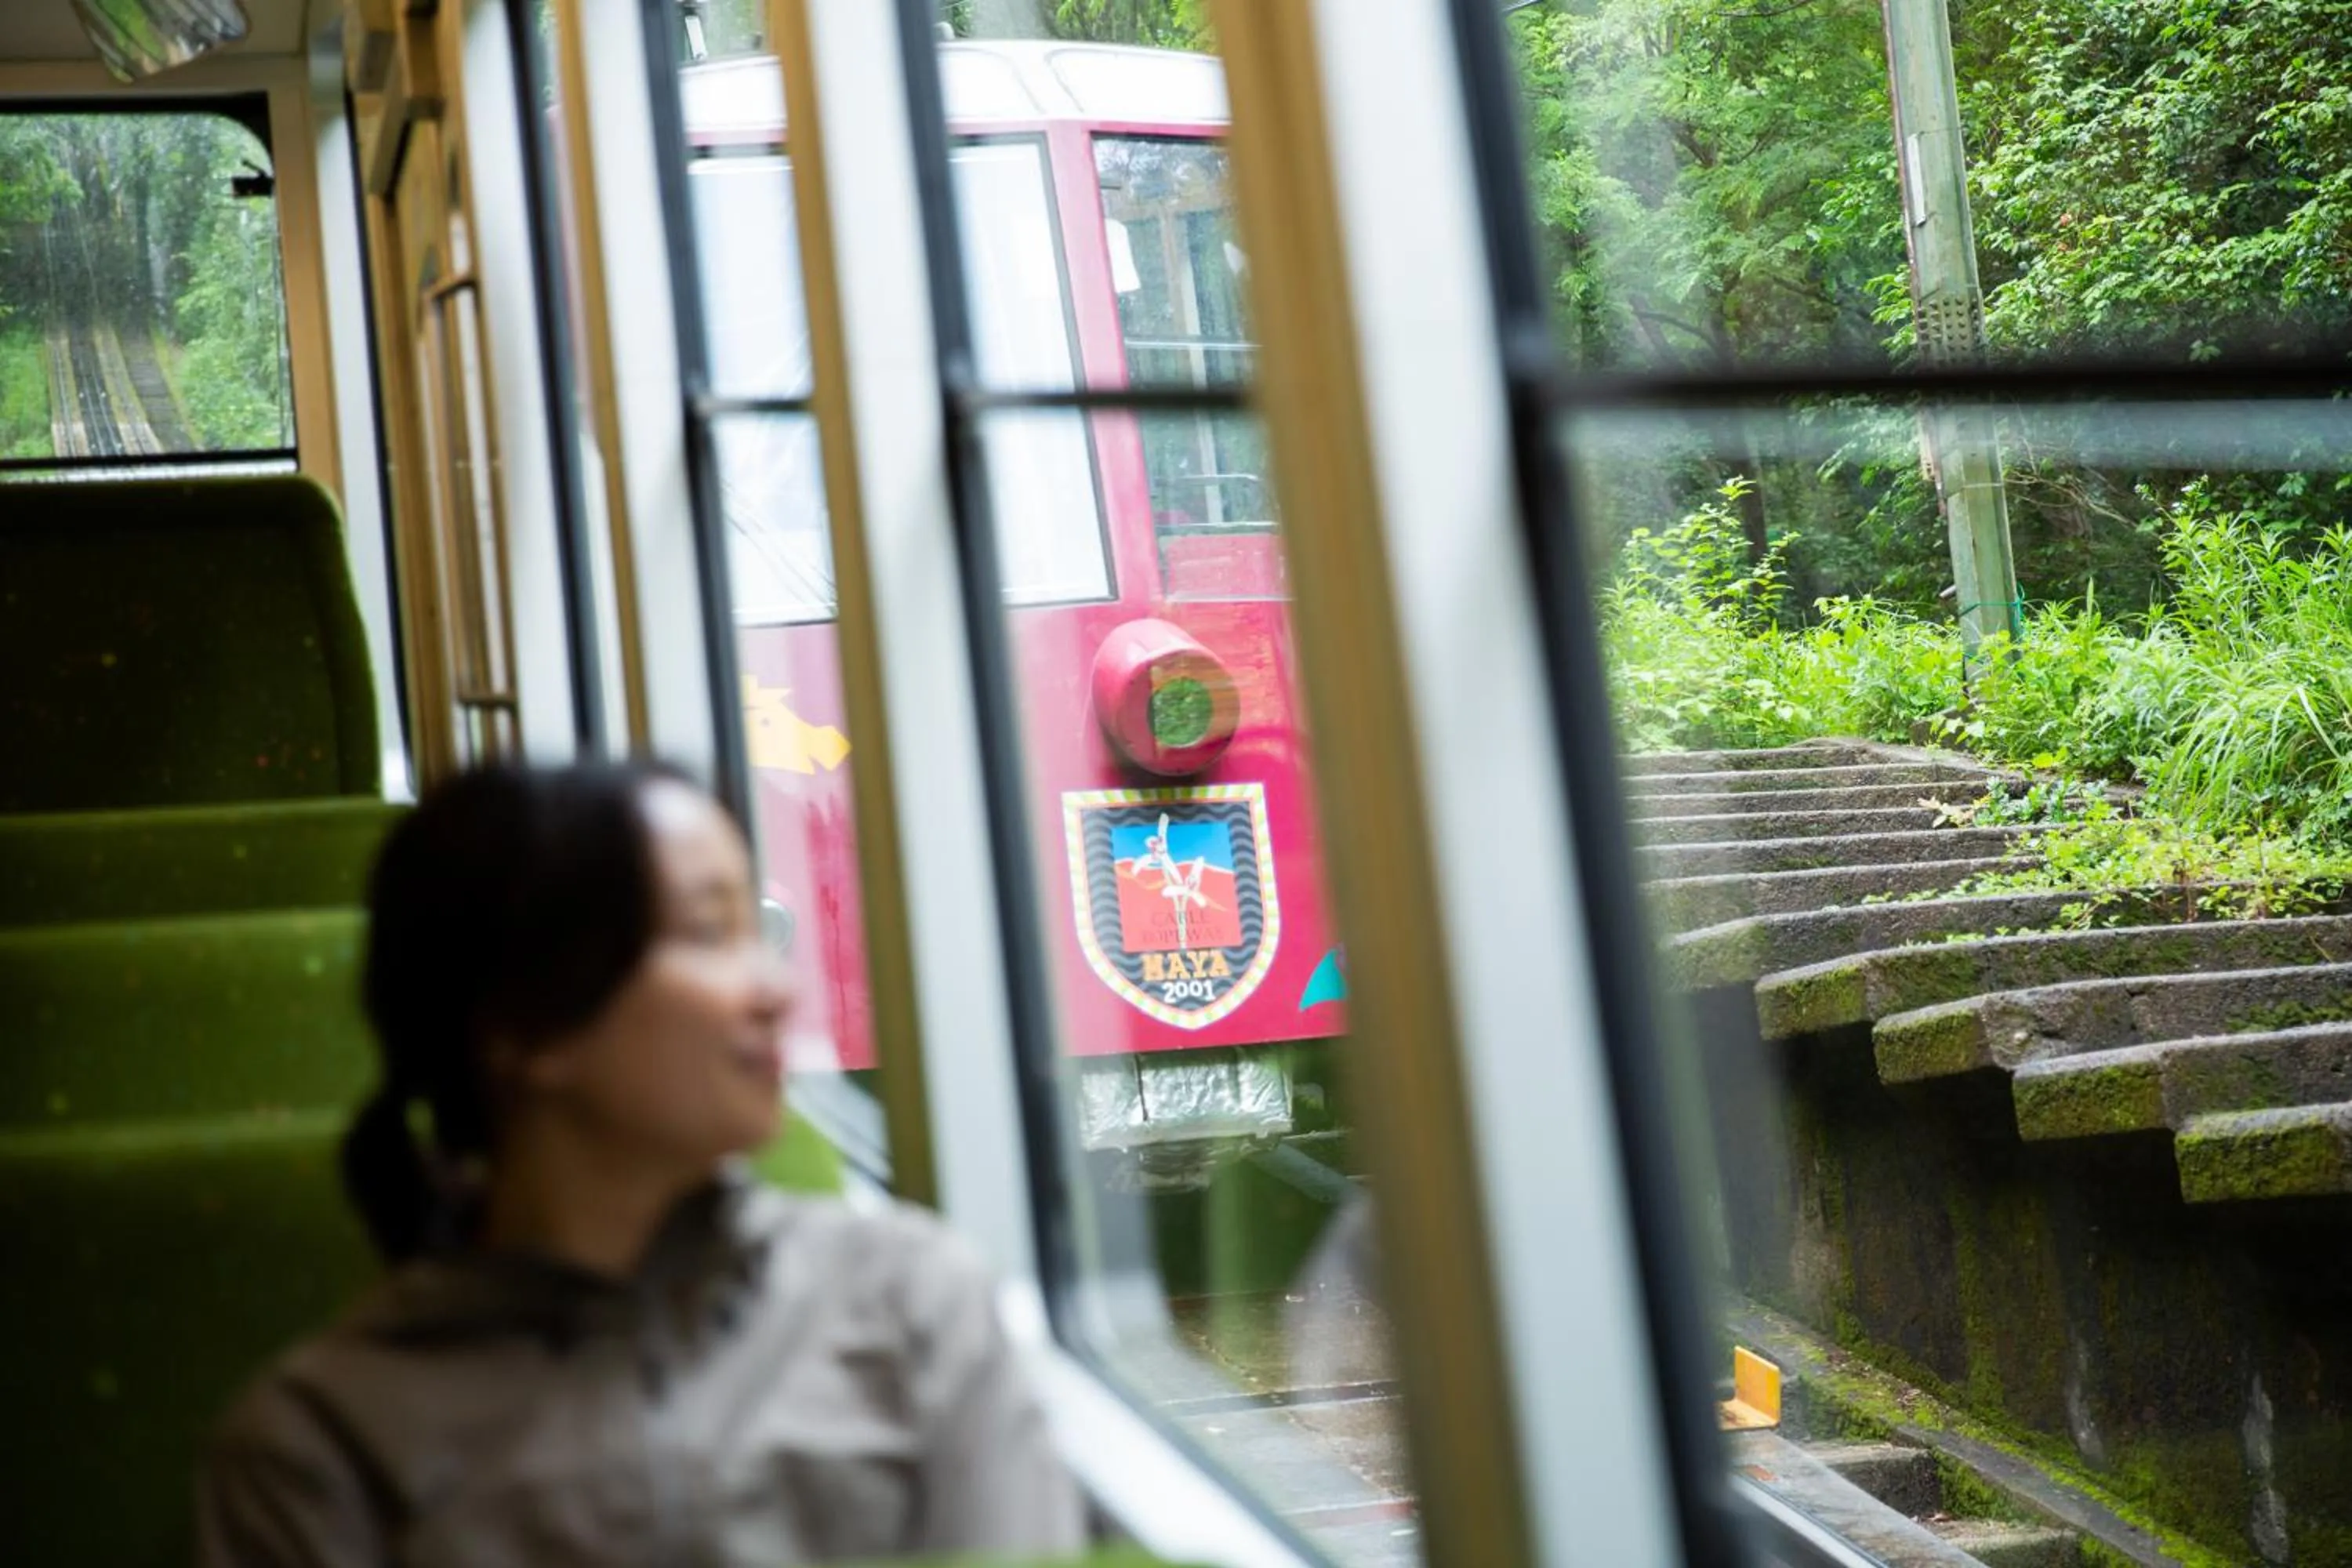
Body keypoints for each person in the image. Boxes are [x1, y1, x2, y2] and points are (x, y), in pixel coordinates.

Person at [198, 763, 1085, 1566]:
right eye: (710, 932)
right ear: (526, 1025)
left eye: (758, 933)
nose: (777, 991)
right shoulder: (321, 1448)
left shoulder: (914, 1304)